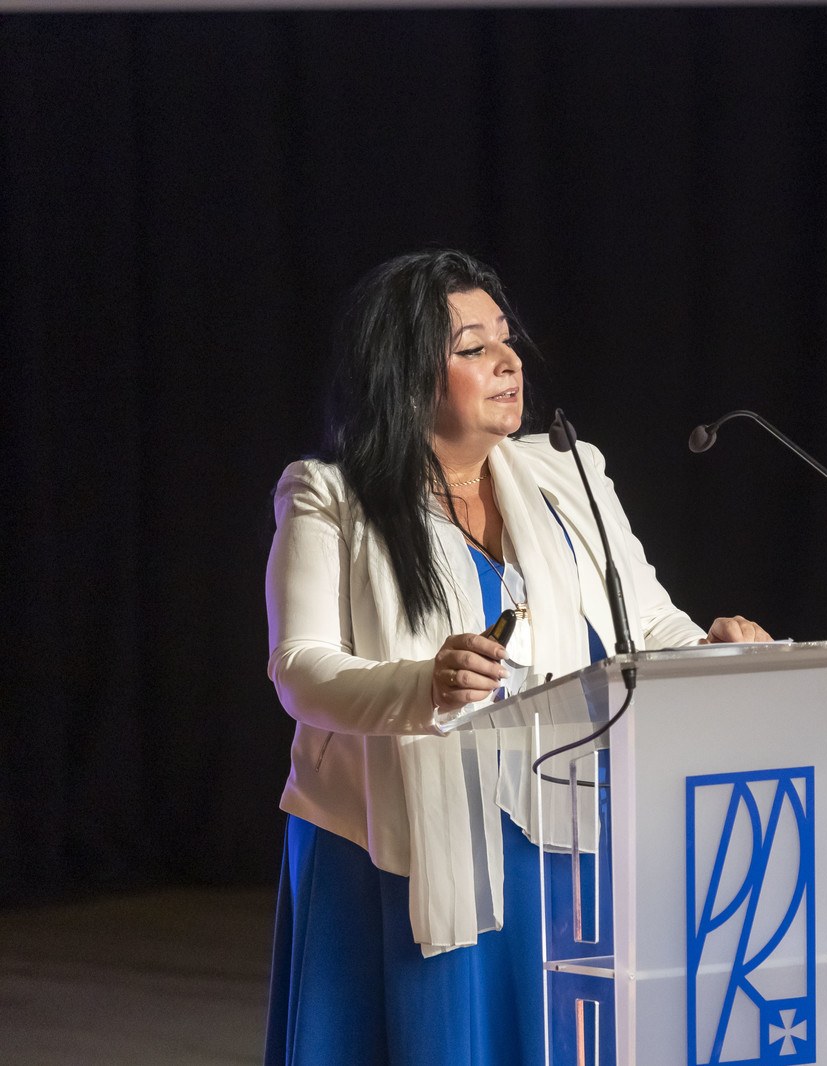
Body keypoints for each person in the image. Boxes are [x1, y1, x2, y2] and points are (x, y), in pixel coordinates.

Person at [262, 249, 769, 1065]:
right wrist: (423, 686)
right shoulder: (331, 495)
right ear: (406, 374)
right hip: (392, 842)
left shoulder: (570, 474)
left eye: (507, 339)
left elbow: (649, 626)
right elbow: (300, 667)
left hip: (554, 825)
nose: (509, 361)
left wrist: (716, 650)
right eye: (473, 347)